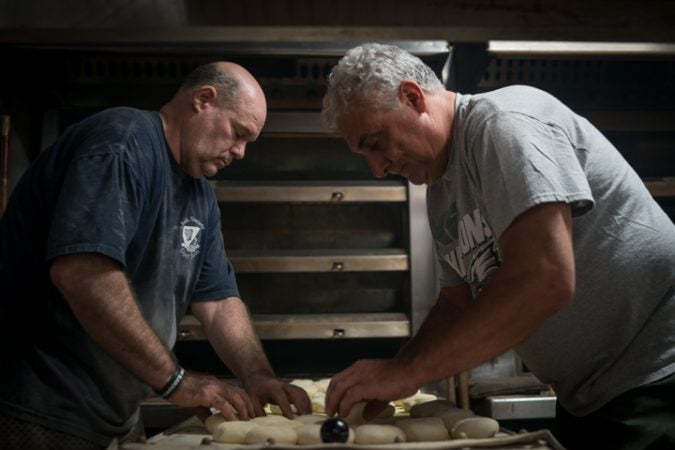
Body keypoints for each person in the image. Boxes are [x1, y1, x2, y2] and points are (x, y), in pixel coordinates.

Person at [321, 43, 675, 449]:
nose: (378, 168)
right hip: (589, 399)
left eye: (377, 142)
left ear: (412, 97)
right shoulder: (441, 191)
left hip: (658, 378)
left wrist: (410, 372)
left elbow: (546, 278)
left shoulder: (504, 123)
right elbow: (457, 305)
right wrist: (399, 367)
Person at [0, 61, 311, 449]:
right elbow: (82, 273)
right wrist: (176, 380)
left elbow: (216, 301)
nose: (241, 152)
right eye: (238, 133)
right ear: (203, 100)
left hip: (117, 413)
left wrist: (258, 376)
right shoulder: (122, 143)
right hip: (41, 409)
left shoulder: (200, 195)